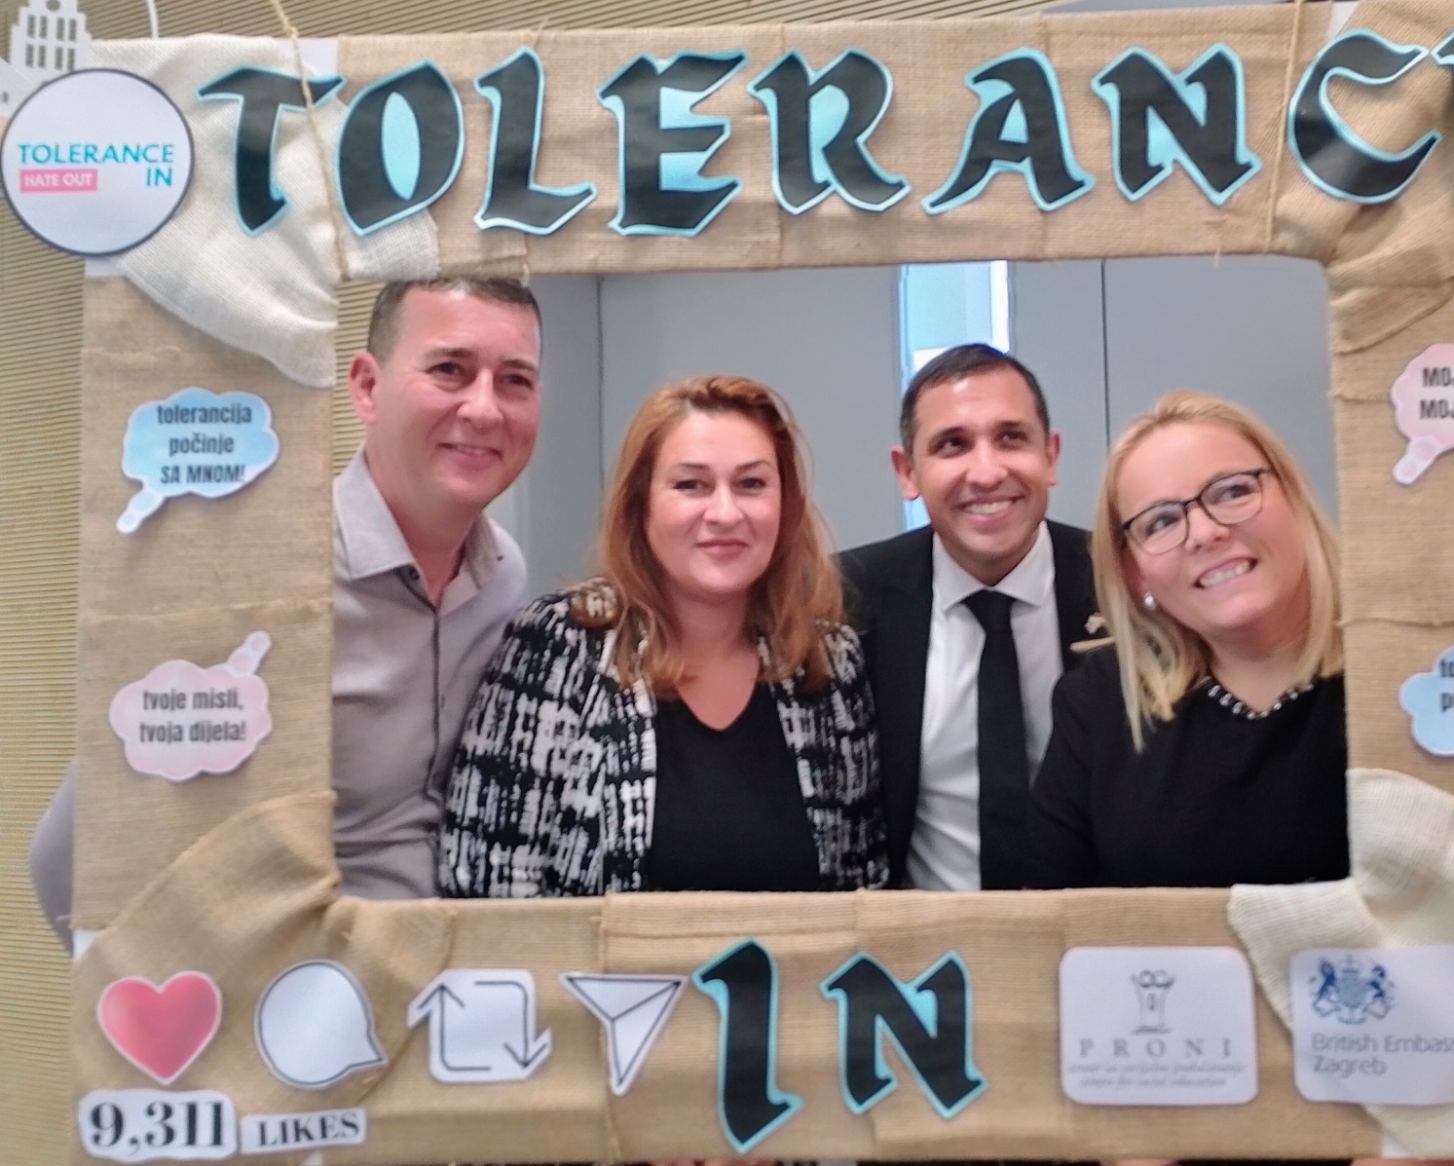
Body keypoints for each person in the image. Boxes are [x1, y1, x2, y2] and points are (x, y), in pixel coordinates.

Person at [29, 277, 543, 942]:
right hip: (291, 986)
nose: (484, 408)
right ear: (367, 387)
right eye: (449, 370)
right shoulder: (253, 579)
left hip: (442, 979)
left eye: (515, 381)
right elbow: (72, 863)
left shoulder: (503, 576)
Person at [439, 374, 885, 899]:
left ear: (786, 505)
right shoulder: (556, 647)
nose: (725, 513)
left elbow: (861, 890)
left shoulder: (830, 662)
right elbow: (485, 886)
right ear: (640, 505)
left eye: (751, 484)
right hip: (591, 959)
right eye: (690, 485)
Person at [1030, 390, 1348, 890]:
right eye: (1161, 521)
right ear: (1135, 572)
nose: (1203, 532)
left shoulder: (1408, 669)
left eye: (1232, 491)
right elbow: (1051, 917)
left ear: (1294, 497)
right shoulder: (1100, 700)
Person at [839, 344, 1095, 891]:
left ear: (1050, 456)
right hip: (920, 935)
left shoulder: (1126, 584)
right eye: (952, 444)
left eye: (1011, 438)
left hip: (1102, 930)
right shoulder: (844, 600)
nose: (986, 472)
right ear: (907, 472)